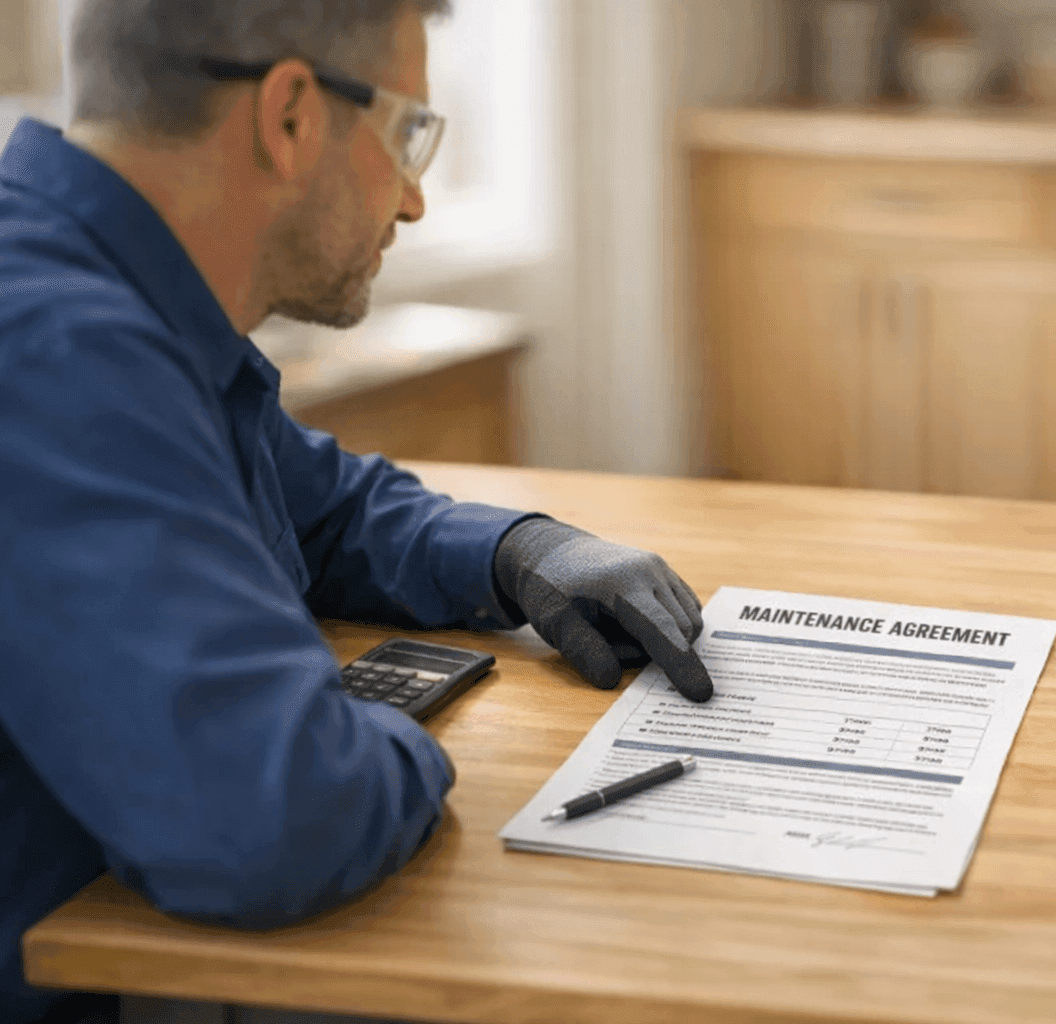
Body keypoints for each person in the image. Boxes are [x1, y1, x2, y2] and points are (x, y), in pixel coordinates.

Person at [0, 2, 716, 1021]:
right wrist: (375, 729)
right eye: (409, 131)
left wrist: (521, 551)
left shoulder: (103, 292)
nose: (418, 199)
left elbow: (321, 505)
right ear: (290, 115)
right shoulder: (52, 351)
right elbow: (278, 820)